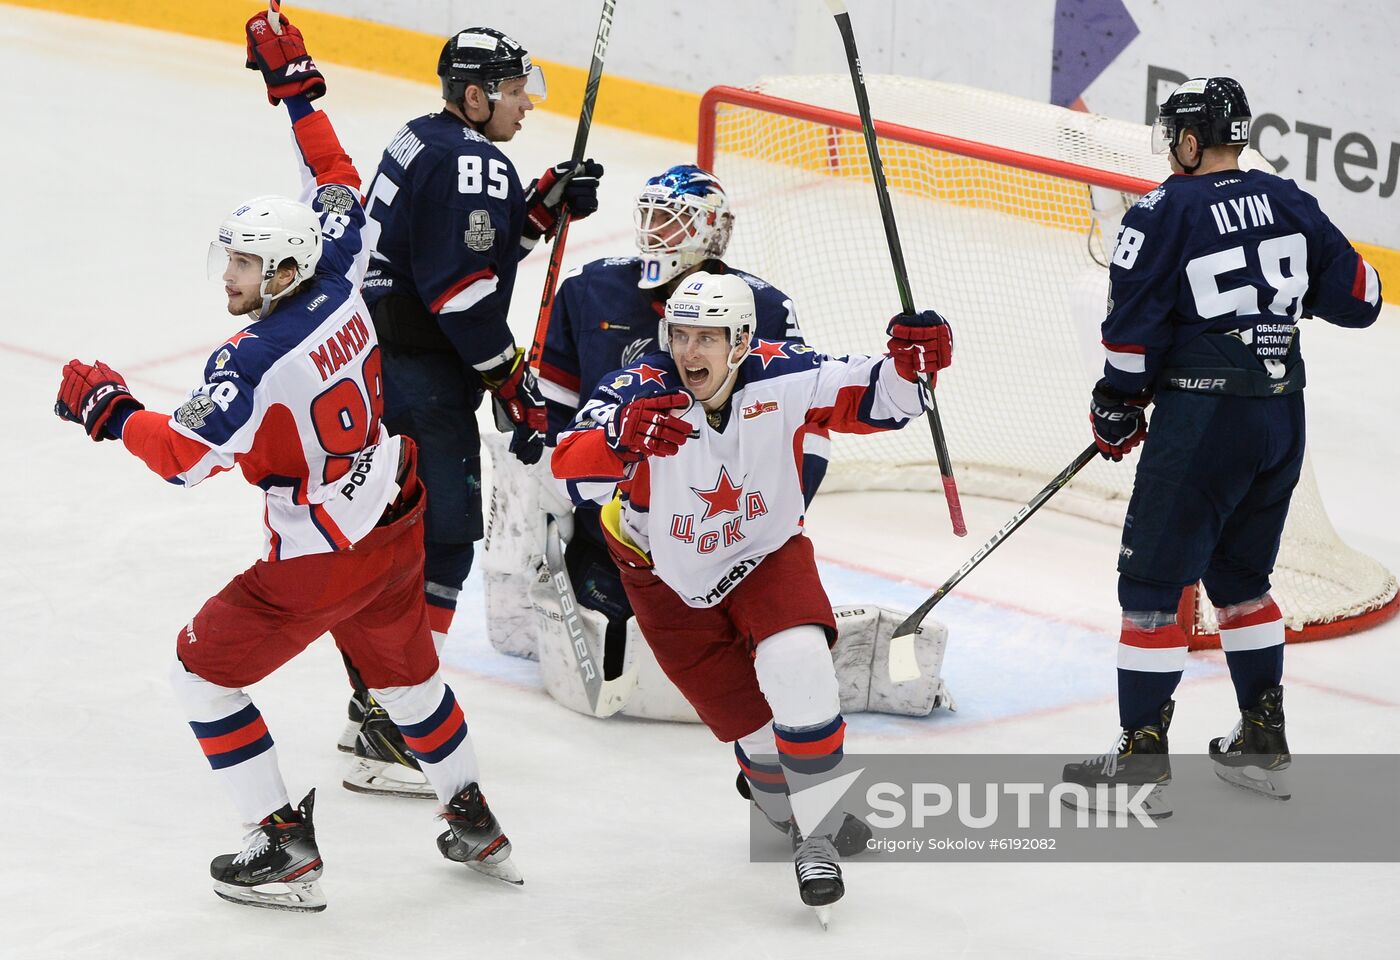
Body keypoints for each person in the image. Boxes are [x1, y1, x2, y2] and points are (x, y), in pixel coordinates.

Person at [52, 10, 521, 911]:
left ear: (280, 272)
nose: (229, 278)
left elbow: (184, 459)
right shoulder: (340, 271)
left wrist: (110, 410)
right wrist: (298, 88)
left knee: (200, 671)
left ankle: (280, 845)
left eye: (244, 265)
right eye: (230, 258)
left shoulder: (252, 361)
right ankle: (472, 816)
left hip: (319, 557)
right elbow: (336, 177)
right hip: (393, 517)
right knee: (409, 677)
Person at [551, 271, 953, 919]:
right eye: (679, 335)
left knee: (799, 666)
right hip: (662, 576)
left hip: (763, 550)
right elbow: (568, 458)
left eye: (705, 338)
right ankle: (786, 807)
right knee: (754, 735)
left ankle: (815, 833)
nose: (687, 352)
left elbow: (881, 397)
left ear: (740, 341)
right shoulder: (643, 389)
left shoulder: (785, 372)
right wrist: (620, 436)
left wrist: (913, 366)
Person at [1062, 77, 1381, 813]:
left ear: (1189, 138)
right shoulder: (1291, 200)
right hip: (1279, 417)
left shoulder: (1161, 208)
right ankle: (1261, 741)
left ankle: (1140, 760)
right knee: (1241, 580)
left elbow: (1131, 331)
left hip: (1202, 424)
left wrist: (1116, 402)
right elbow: (1363, 300)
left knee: (1150, 588)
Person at [339, 25, 605, 795]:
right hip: (419, 372)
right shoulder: (474, 161)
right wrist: (511, 379)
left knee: (400, 535)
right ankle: (391, 721)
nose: (526, 106)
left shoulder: (422, 139)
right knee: (444, 534)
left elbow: (453, 253)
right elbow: (459, 293)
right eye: (516, 92)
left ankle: (380, 704)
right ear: (477, 95)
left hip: (381, 363)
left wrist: (536, 215)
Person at [534, 164, 819, 680]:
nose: (652, 233)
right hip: (620, 525)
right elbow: (554, 414)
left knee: (763, 651)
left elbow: (804, 423)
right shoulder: (591, 288)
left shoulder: (765, 308)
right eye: (648, 217)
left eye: (670, 220)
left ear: (710, 230)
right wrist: (568, 502)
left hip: (726, 527)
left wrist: (772, 521)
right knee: (614, 626)